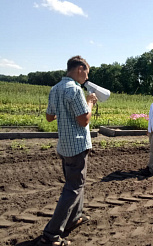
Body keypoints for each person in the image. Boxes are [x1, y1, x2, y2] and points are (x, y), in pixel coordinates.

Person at [38, 56, 98, 246]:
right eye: (86, 72)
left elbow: (49, 117)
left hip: (64, 146)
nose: (86, 77)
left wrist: (62, 111)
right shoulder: (75, 90)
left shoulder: (55, 88)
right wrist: (89, 103)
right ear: (80, 69)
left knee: (77, 184)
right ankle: (51, 234)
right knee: (72, 188)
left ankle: (74, 217)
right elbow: (84, 120)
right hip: (77, 146)